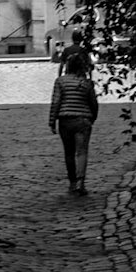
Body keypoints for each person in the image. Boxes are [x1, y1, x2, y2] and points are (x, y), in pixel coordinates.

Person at [49, 48, 99, 195]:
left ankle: (72, 182)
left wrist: (52, 121)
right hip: (83, 120)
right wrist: (92, 117)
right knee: (82, 151)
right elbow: (93, 103)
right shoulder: (87, 83)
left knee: (69, 152)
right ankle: (80, 182)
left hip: (65, 120)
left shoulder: (60, 82)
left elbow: (56, 102)